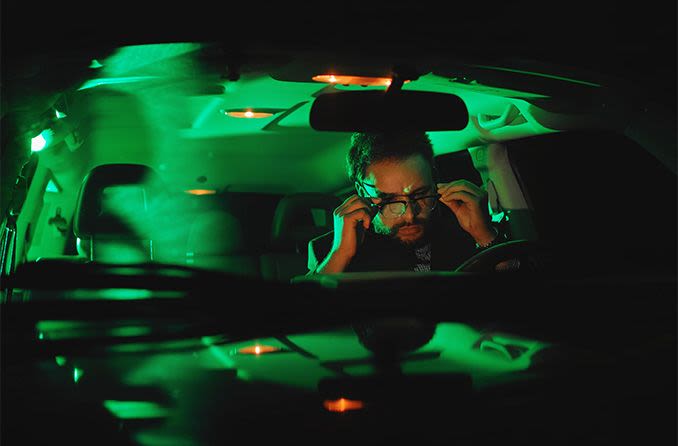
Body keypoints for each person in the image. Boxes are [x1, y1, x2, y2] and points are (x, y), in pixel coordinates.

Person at [307, 132, 507, 274]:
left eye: (420, 194)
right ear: (361, 192)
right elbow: (305, 318)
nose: (410, 215)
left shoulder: (465, 231)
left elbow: (521, 296)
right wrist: (340, 254)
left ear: (435, 181)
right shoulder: (331, 248)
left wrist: (484, 235)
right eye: (388, 199)